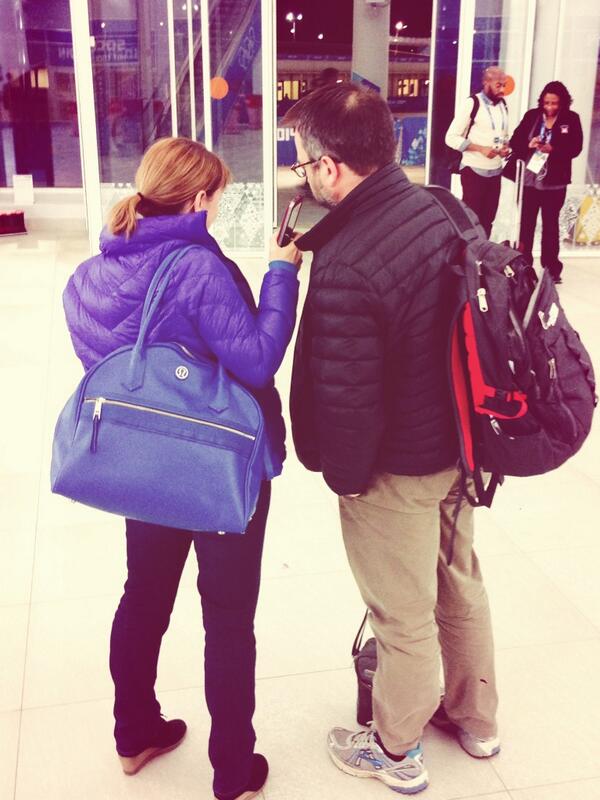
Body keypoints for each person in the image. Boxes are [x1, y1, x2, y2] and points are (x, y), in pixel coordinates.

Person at [62, 137, 301, 800]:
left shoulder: (93, 274)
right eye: (218, 195)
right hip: (219, 465)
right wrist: (281, 272)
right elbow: (256, 359)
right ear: (199, 199)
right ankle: (232, 771)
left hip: (146, 465)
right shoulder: (197, 266)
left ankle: (134, 732)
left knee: (144, 595)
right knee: (226, 614)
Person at [284, 83, 499, 795]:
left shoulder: (347, 262)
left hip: (397, 468)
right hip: (461, 447)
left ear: (331, 167)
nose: (302, 172)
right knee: (459, 583)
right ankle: (477, 718)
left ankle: (397, 750)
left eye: (303, 159)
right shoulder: (440, 205)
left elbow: (347, 399)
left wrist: (344, 478)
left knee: (401, 616)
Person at [509, 80, 583, 283]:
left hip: (555, 183)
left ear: (562, 103)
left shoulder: (571, 118)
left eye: (554, 103)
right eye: (547, 102)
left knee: (550, 224)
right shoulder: (532, 116)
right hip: (530, 181)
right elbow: (515, 141)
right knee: (526, 224)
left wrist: (554, 149)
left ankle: (551, 268)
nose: (550, 107)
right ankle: (524, 266)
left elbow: (576, 148)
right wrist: (529, 143)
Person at [445, 66, 511, 237]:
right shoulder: (472, 103)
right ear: (486, 83)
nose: (502, 90)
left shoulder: (503, 104)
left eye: (504, 85)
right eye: (498, 85)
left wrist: (505, 146)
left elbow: (504, 134)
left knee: (489, 220)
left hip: (496, 171)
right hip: (473, 170)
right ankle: (469, 259)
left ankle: (483, 259)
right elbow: (451, 137)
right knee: (472, 220)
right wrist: (481, 149)